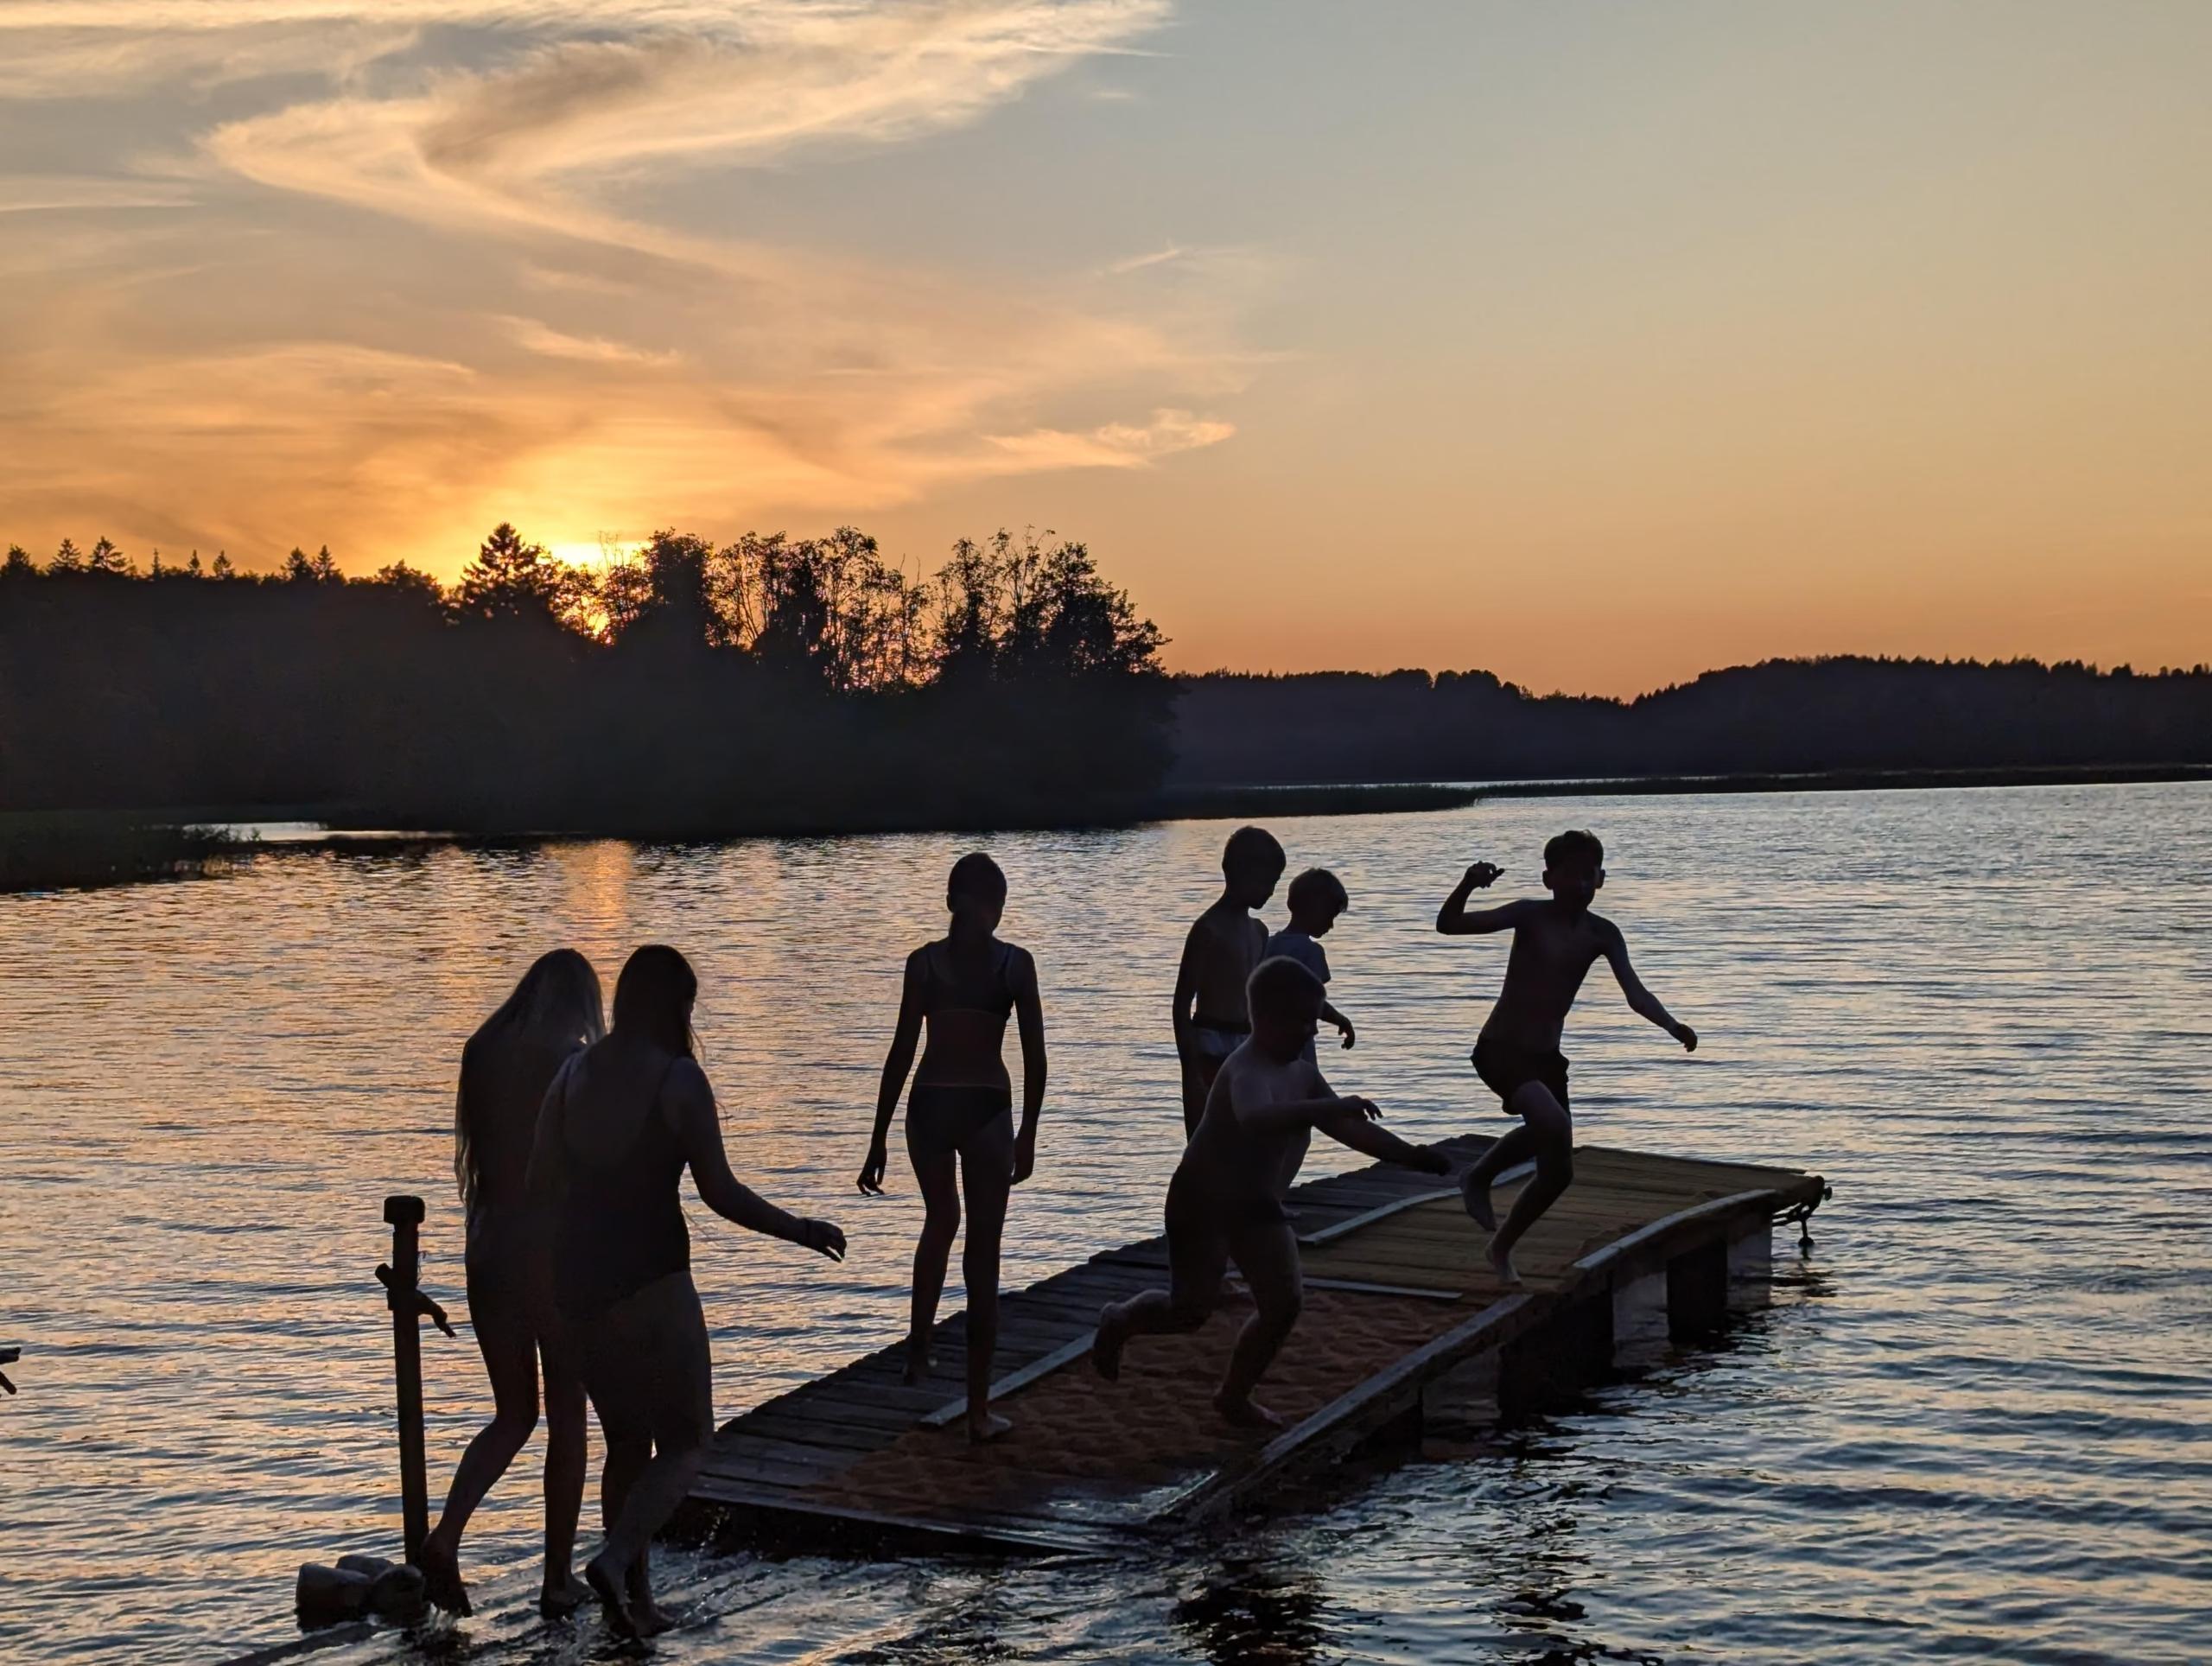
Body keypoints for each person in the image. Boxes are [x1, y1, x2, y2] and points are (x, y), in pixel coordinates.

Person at [527, 944, 846, 1638]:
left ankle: (635, 1603)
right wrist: (799, 1229)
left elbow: (538, 1184)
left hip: (577, 1281)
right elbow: (719, 1191)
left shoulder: (572, 1074)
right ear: (674, 1005)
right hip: (652, 1277)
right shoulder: (678, 1079)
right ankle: (615, 1562)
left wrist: (543, 1278)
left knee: (625, 1445)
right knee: (688, 1440)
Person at [1094, 957, 1450, 1428]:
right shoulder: (1246, 1070)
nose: (1312, 1032)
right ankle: (1119, 1318)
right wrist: (1324, 1107)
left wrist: (1409, 1155)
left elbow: (1347, 1127)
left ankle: (1233, 1396)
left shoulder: (1301, 1073)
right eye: (1303, 1022)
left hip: (1254, 1203)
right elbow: (1255, 1118)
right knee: (1190, 1310)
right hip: (1201, 1200)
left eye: (1314, 1021)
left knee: (1284, 1303)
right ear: (1266, 1019)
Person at [417, 949, 604, 1618]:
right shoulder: (572, 1062)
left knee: (514, 1413)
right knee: (568, 1416)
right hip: (551, 1253)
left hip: (488, 1247)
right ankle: (557, 1579)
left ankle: (445, 1537)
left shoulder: (481, 1052)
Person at [1436, 830, 1698, 1284]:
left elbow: (1635, 993)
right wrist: (1467, 885)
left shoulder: (1602, 933)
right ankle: (1478, 1176)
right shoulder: (1529, 915)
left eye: (1588, 875)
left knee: (1558, 1172)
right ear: (1548, 879)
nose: (1579, 884)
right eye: (1569, 874)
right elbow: (1450, 925)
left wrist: (1672, 1025)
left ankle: (1501, 1247)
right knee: (1552, 1124)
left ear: (1601, 878)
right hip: (1501, 1049)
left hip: (1547, 1059)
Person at [858, 853, 1046, 1442]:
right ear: (998, 908)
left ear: (949, 901)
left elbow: (901, 1052)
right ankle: (978, 1410)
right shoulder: (1014, 965)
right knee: (982, 1254)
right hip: (986, 1107)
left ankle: (919, 1347)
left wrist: (878, 1137)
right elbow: (1036, 1058)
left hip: (930, 1106)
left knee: (940, 1221)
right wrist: (1028, 1132)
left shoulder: (923, 964)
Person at [1173, 826, 1286, 1135]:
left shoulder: (1259, 931)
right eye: (1267, 881)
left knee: (1248, 1132)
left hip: (1247, 1042)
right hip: (1210, 1041)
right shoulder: (1208, 929)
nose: (1271, 891)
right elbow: (1181, 1004)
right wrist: (1190, 1067)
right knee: (1208, 1133)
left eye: (1275, 883)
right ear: (1239, 872)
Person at [1262, 868, 1356, 1061]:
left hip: (1265, 1040)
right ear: (1316, 910)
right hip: (1298, 1041)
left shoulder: (1268, 944)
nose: (1331, 925)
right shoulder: (1312, 952)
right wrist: (1340, 1020)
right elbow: (1313, 1002)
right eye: (1330, 916)